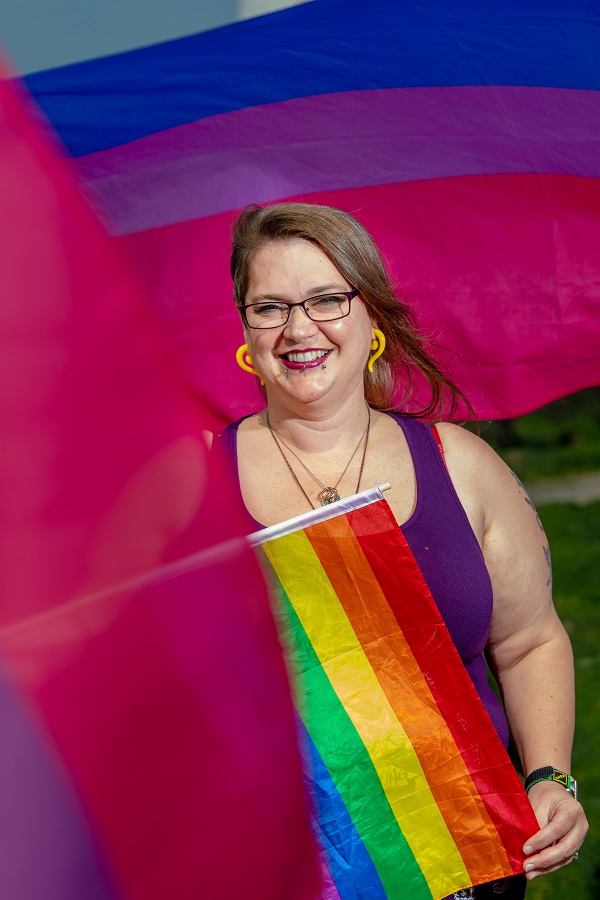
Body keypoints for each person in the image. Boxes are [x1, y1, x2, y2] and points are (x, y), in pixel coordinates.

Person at [217, 202, 588, 897]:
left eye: (326, 299)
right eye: (269, 307)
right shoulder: (190, 483)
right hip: (283, 871)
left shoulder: (463, 466)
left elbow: (531, 640)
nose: (299, 329)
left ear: (372, 315)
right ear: (245, 327)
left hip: (463, 861)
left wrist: (548, 777)